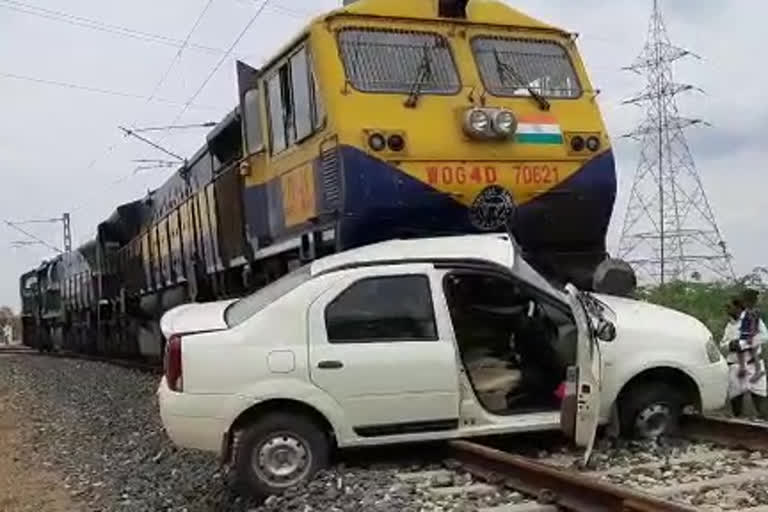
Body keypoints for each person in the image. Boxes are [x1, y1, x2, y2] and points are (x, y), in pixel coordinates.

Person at [721, 296, 768, 419]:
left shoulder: (752, 320)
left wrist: (744, 344)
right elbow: (722, 344)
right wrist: (731, 345)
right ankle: (739, 427)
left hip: (753, 364)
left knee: (761, 399)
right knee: (736, 399)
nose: (727, 309)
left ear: (738, 307)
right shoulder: (730, 324)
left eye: (729, 306)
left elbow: (764, 336)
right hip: (735, 365)